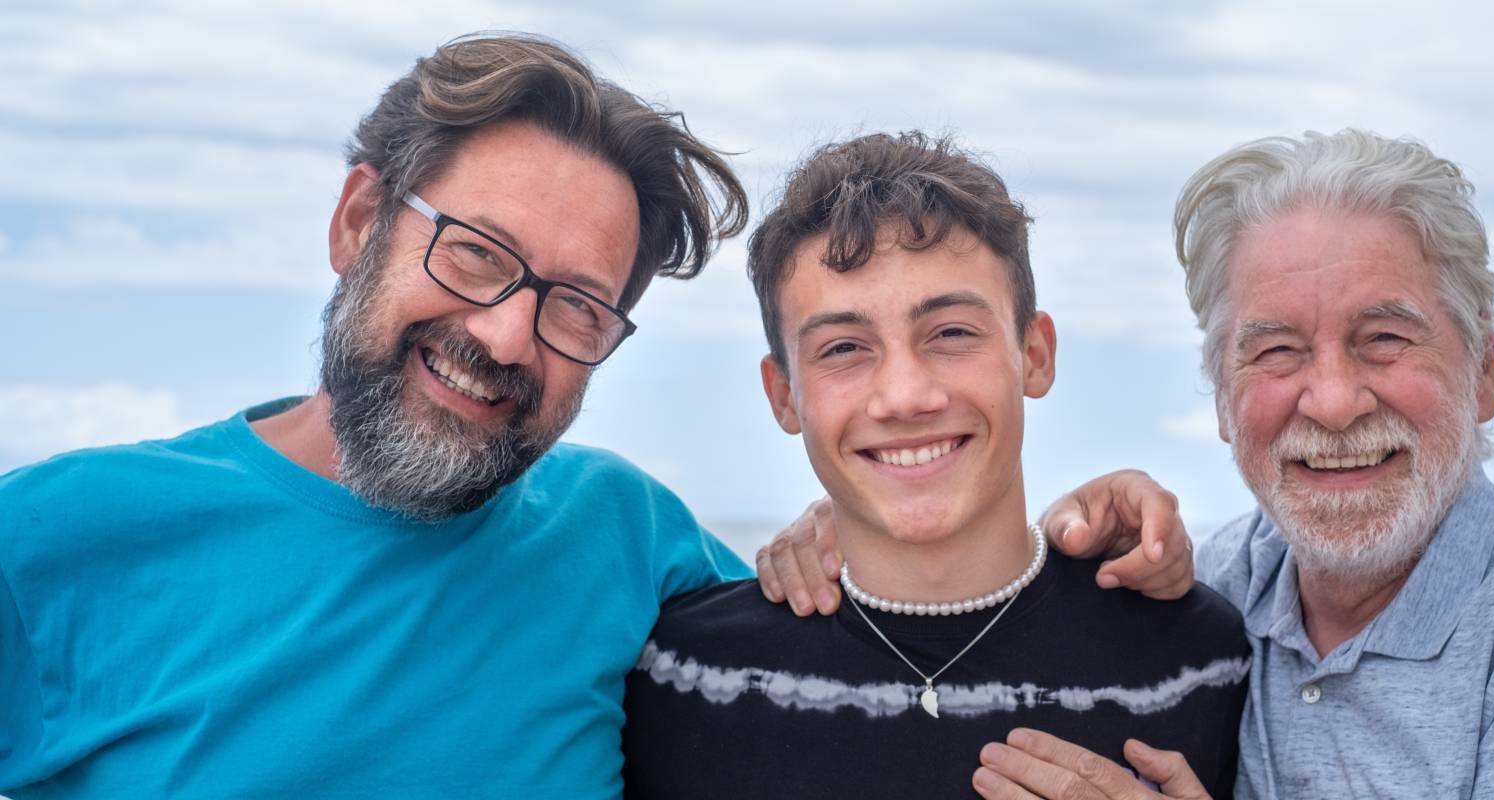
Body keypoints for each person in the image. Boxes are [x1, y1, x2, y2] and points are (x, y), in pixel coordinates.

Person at [0, 33, 1193, 799]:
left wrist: (1100, 525)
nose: (510, 336)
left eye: (575, 306)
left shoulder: (627, 535)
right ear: (360, 222)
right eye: (475, 256)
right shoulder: (53, 537)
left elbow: (886, 640)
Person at [760, 129, 1494, 799]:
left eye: (1384, 339)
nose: (1330, 399)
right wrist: (860, 525)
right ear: (1225, 395)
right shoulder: (1222, 590)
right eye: (1276, 350)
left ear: (1485, 373)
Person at [621, 132, 1249, 799]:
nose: (905, 397)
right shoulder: (683, 671)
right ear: (784, 396)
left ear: (1034, 355)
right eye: (842, 348)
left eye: (951, 333)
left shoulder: (1198, 656)